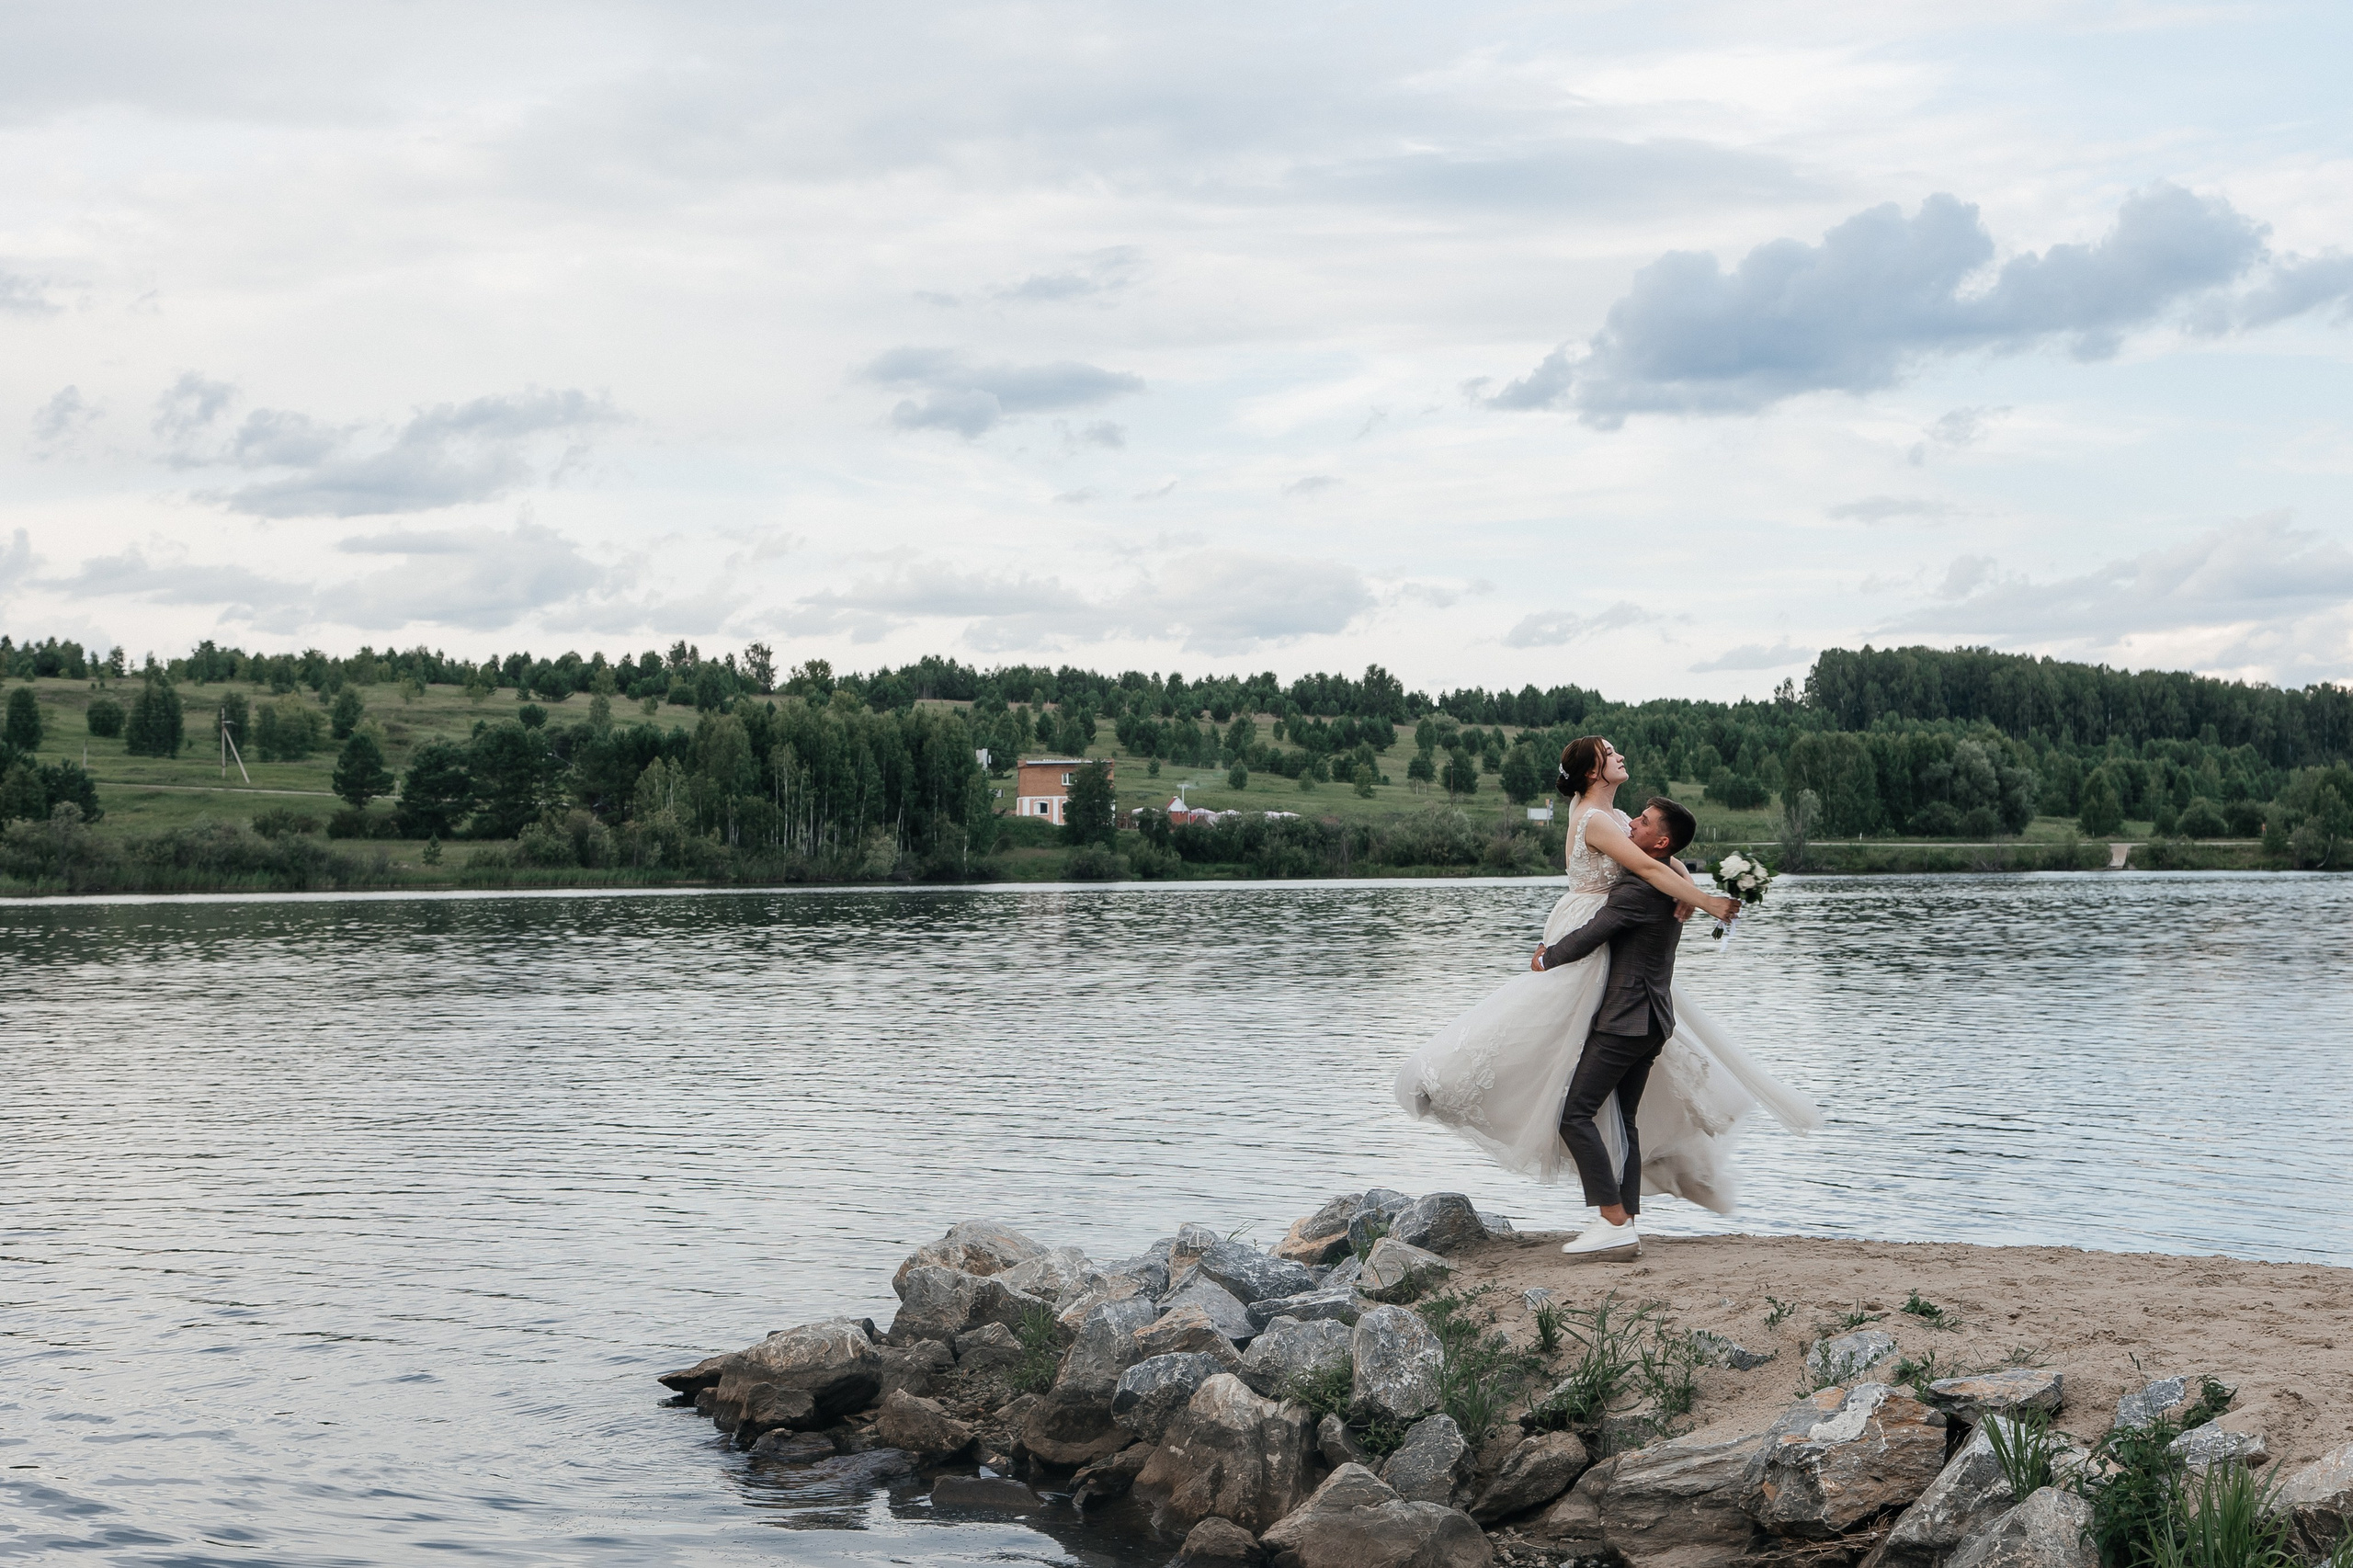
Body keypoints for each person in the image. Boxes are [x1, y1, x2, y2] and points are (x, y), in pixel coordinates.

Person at [1392, 736, 1823, 1256]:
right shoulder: (1602, 824)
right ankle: (1622, 1221)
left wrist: (1690, 890)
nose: (1622, 756)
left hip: (1619, 986)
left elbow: (1648, 871)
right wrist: (1696, 895)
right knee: (1585, 1084)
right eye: (1611, 752)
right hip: (1619, 973)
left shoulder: (1623, 848)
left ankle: (1617, 1222)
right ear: (1594, 770)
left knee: (1580, 1107)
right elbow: (1649, 866)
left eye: (1643, 822)